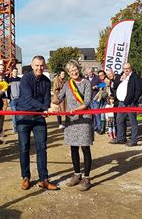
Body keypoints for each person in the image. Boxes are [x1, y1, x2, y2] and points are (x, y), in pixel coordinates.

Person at [16, 56, 58, 191]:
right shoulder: (25, 79)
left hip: (39, 117)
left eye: (41, 65)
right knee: (24, 147)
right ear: (32, 65)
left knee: (42, 148)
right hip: (24, 116)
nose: (39, 68)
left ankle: (43, 179)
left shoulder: (46, 81)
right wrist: (45, 108)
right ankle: (25, 177)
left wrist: (46, 108)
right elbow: (28, 99)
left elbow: (46, 99)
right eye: (37, 65)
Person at [53, 60, 92, 191]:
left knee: (85, 148)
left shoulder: (86, 83)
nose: (74, 72)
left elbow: (86, 102)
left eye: (75, 69)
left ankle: (86, 177)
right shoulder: (67, 85)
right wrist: (53, 102)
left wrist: (75, 110)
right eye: (71, 71)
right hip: (71, 120)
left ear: (78, 69)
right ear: (68, 73)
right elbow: (60, 98)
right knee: (73, 148)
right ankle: (77, 175)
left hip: (84, 119)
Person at [110, 62, 142, 146]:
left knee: (133, 122)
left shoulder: (135, 77)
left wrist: (134, 101)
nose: (126, 70)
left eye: (127, 68)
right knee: (119, 120)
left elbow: (139, 90)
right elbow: (114, 86)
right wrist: (122, 79)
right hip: (121, 102)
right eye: (124, 69)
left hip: (130, 103)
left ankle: (133, 140)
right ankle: (121, 138)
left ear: (131, 68)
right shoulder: (123, 77)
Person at [85, 68, 102, 134]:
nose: (90, 73)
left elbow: (103, 84)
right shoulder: (85, 79)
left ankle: (99, 127)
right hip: (89, 99)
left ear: (93, 72)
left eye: (91, 72)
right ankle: (94, 127)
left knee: (97, 114)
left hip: (95, 98)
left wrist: (97, 86)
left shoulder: (97, 78)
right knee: (92, 114)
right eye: (89, 72)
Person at [8, 68, 21, 133]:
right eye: (14, 72)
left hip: (19, 99)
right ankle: (15, 127)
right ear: (12, 72)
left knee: (20, 114)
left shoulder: (20, 79)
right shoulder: (9, 80)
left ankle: (19, 127)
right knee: (14, 114)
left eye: (16, 71)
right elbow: (8, 90)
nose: (15, 73)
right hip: (13, 99)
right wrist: (9, 98)